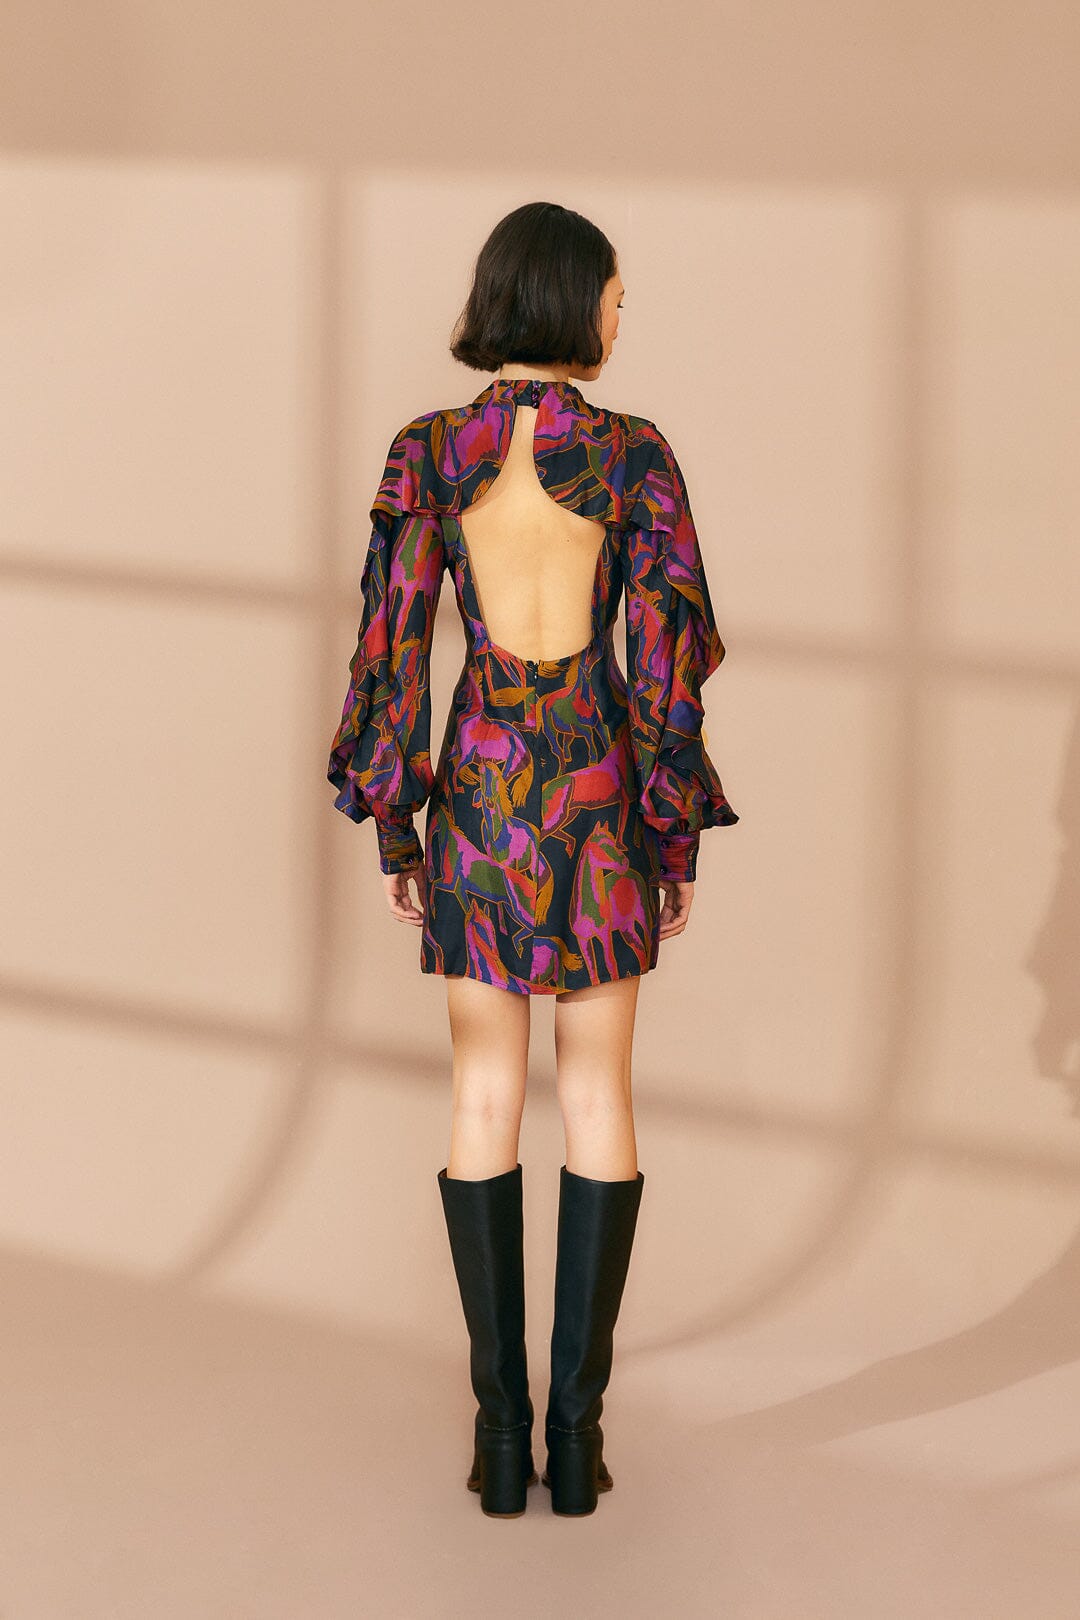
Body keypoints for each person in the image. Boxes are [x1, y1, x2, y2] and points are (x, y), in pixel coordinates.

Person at [327, 201, 739, 1517]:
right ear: (570, 298)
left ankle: (499, 1441)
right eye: (616, 294)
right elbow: (666, 664)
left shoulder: (429, 452)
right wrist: (670, 829)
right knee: (601, 1097)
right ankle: (577, 1437)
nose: (622, 314)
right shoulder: (633, 455)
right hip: (599, 794)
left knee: (482, 1093)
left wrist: (400, 821)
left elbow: (391, 649)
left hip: (481, 801)